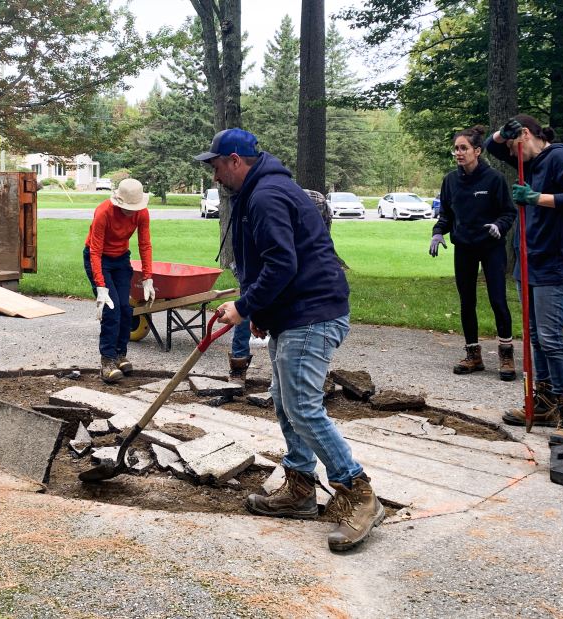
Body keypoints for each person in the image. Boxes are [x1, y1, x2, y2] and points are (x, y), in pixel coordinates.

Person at [197, 128, 384, 552]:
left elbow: (281, 263)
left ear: (235, 161)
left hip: (313, 313)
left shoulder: (265, 195)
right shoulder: (259, 190)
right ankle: (300, 489)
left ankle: (360, 494)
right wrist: (263, 311)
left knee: (301, 403)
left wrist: (245, 308)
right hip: (295, 312)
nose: (214, 176)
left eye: (216, 166)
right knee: (285, 399)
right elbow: (270, 262)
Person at [486, 115, 563, 445]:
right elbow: (490, 145)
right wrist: (503, 133)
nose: (511, 154)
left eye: (515, 142)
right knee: (533, 336)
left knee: (549, 337)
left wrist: (537, 198)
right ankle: (543, 403)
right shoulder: (525, 158)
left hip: (553, 261)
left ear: (527, 135)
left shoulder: (558, 156)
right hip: (526, 259)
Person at [429, 126, 517, 380]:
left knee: (497, 300)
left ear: (477, 151)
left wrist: (499, 226)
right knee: (467, 302)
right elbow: (446, 215)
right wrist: (438, 232)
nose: (459, 153)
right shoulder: (450, 181)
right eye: (456, 148)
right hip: (464, 247)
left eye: (464, 148)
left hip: (491, 247)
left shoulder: (494, 179)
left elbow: (508, 212)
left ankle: (506, 355)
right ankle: (473, 355)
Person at [227, 190, 328, 387]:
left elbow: (319, 242)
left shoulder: (317, 202)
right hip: (260, 262)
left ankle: (307, 372)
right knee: (246, 305)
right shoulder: (264, 205)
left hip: (297, 267)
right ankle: (238, 365)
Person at [84, 178, 155, 383]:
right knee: (111, 308)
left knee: (125, 308)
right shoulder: (104, 212)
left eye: (135, 207)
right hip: (99, 259)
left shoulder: (142, 213)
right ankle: (106, 360)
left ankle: (119, 354)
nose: (131, 211)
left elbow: (145, 244)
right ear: (118, 202)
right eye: (128, 208)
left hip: (121, 259)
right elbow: (95, 251)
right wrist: (100, 286)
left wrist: (148, 278)